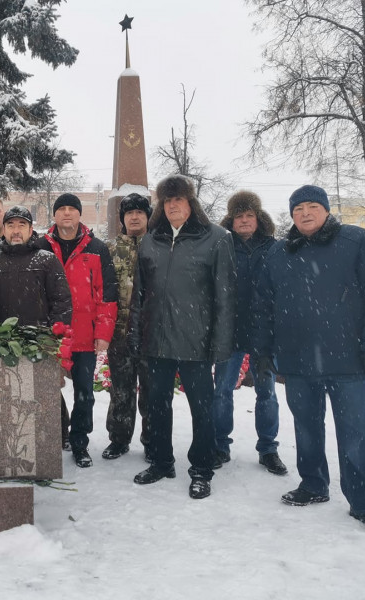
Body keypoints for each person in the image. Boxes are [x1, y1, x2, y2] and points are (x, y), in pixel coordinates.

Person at [253, 184, 365, 537]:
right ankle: (314, 484)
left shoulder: (356, 242)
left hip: (346, 360)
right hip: (298, 361)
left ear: (326, 210)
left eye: (312, 206)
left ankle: (364, 503)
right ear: (291, 215)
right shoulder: (279, 253)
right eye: (297, 208)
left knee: (355, 433)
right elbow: (262, 307)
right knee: (305, 427)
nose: (304, 213)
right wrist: (263, 351)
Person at [129, 175, 235, 499]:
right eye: (168, 200)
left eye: (179, 199)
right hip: (157, 341)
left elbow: (225, 296)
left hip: (196, 343)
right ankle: (162, 462)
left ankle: (201, 469)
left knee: (202, 410)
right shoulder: (149, 240)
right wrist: (134, 333)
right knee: (157, 405)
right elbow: (139, 294)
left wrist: (220, 344)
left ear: (191, 202)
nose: (173, 205)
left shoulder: (216, 239)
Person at [38, 193, 118, 468]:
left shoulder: (97, 248)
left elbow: (107, 294)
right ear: (55, 215)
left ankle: (80, 441)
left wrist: (104, 333)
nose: (67, 214)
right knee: (47, 389)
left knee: (85, 393)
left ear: (80, 215)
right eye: (62, 209)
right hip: (51, 334)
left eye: (72, 209)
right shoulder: (40, 247)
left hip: (85, 333)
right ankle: (54, 436)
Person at [213, 191, 286, 475]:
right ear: (231, 220)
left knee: (267, 393)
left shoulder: (274, 247)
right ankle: (220, 445)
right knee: (221, 392)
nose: (244, 220)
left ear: (258, 218)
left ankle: (268, 449)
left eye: (249, 215)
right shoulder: (221, 244)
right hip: (229, 331)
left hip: (263, 333)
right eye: (239, 216)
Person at [102, 193, 151, 462]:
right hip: (119, 332)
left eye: (140, 213)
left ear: (147, 216)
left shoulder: (158, 246)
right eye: (129, 213)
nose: (134, 217)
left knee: (151, 391)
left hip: (150, 334)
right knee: (120, 390)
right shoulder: (109, 249)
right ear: (122, 218)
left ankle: (152, 440)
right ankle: (119, 439)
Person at [0, 205, 71, 328]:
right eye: (10, 225)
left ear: (30, 230)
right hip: (1, 340)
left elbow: (62, 302)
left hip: (39, 340)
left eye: (22, 225)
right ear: (4, 230)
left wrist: (56, 334)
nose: (16, 231)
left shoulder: (48, 260)